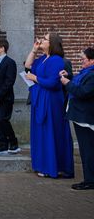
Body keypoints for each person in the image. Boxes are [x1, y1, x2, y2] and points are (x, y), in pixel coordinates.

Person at [24, 32, 74, 178]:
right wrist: (34, 50)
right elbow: (28, 66)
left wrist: (35, 78)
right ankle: (43, 165)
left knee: (51, 132)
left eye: (44, 39)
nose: (41, 40)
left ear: (51, 44)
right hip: (40, 99)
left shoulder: (57, 60)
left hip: (51, 101)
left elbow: (53, 83)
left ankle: (53, 167)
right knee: (41, 133)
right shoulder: (42, 59)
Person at [60, 47, 94, 190]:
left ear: (92, 60)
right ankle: (89, 179)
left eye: (83, 59)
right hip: (80, 116)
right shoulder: (86, 73)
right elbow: (79, 84)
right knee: (85, 150)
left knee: (88, 150)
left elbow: (82, 92)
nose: (81, 62)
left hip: (86, 117)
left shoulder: (92, 75)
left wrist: (67, 83)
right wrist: (70, 77)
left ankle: (90, 181)